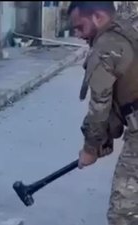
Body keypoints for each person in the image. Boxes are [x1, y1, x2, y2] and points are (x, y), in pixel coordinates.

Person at [67, 1, 138, 224]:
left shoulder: (104, 47)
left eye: (80, 27)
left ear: (97, 17)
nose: (78, 34)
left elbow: (100, 106)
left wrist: (90, 148)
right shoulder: (127, 31)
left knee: (123, 213)